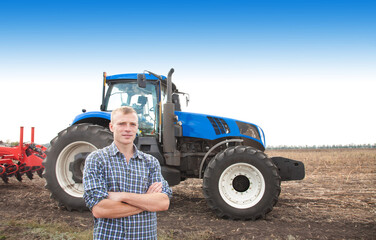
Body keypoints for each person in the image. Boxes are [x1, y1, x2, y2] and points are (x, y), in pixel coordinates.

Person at [83, 106, 172, 240]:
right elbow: (100, 209)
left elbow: (163, 203)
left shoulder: (150, 162)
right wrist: (147, 201)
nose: (128, 129)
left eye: (132, 124)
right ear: (111, 127)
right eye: (122, 124)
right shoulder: (97, 159)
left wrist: (121, 196)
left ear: (137, 128)